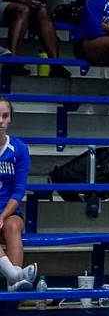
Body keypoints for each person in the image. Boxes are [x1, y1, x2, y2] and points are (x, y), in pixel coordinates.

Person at [0, 97, 36, 292]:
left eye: (4, 116)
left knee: (13, 225)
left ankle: (13, 285)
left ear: (10, 119)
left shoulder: (19, 149)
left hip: (8, 211)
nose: (0, 121)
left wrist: (3, 216)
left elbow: (18, 190)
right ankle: (15, 276)